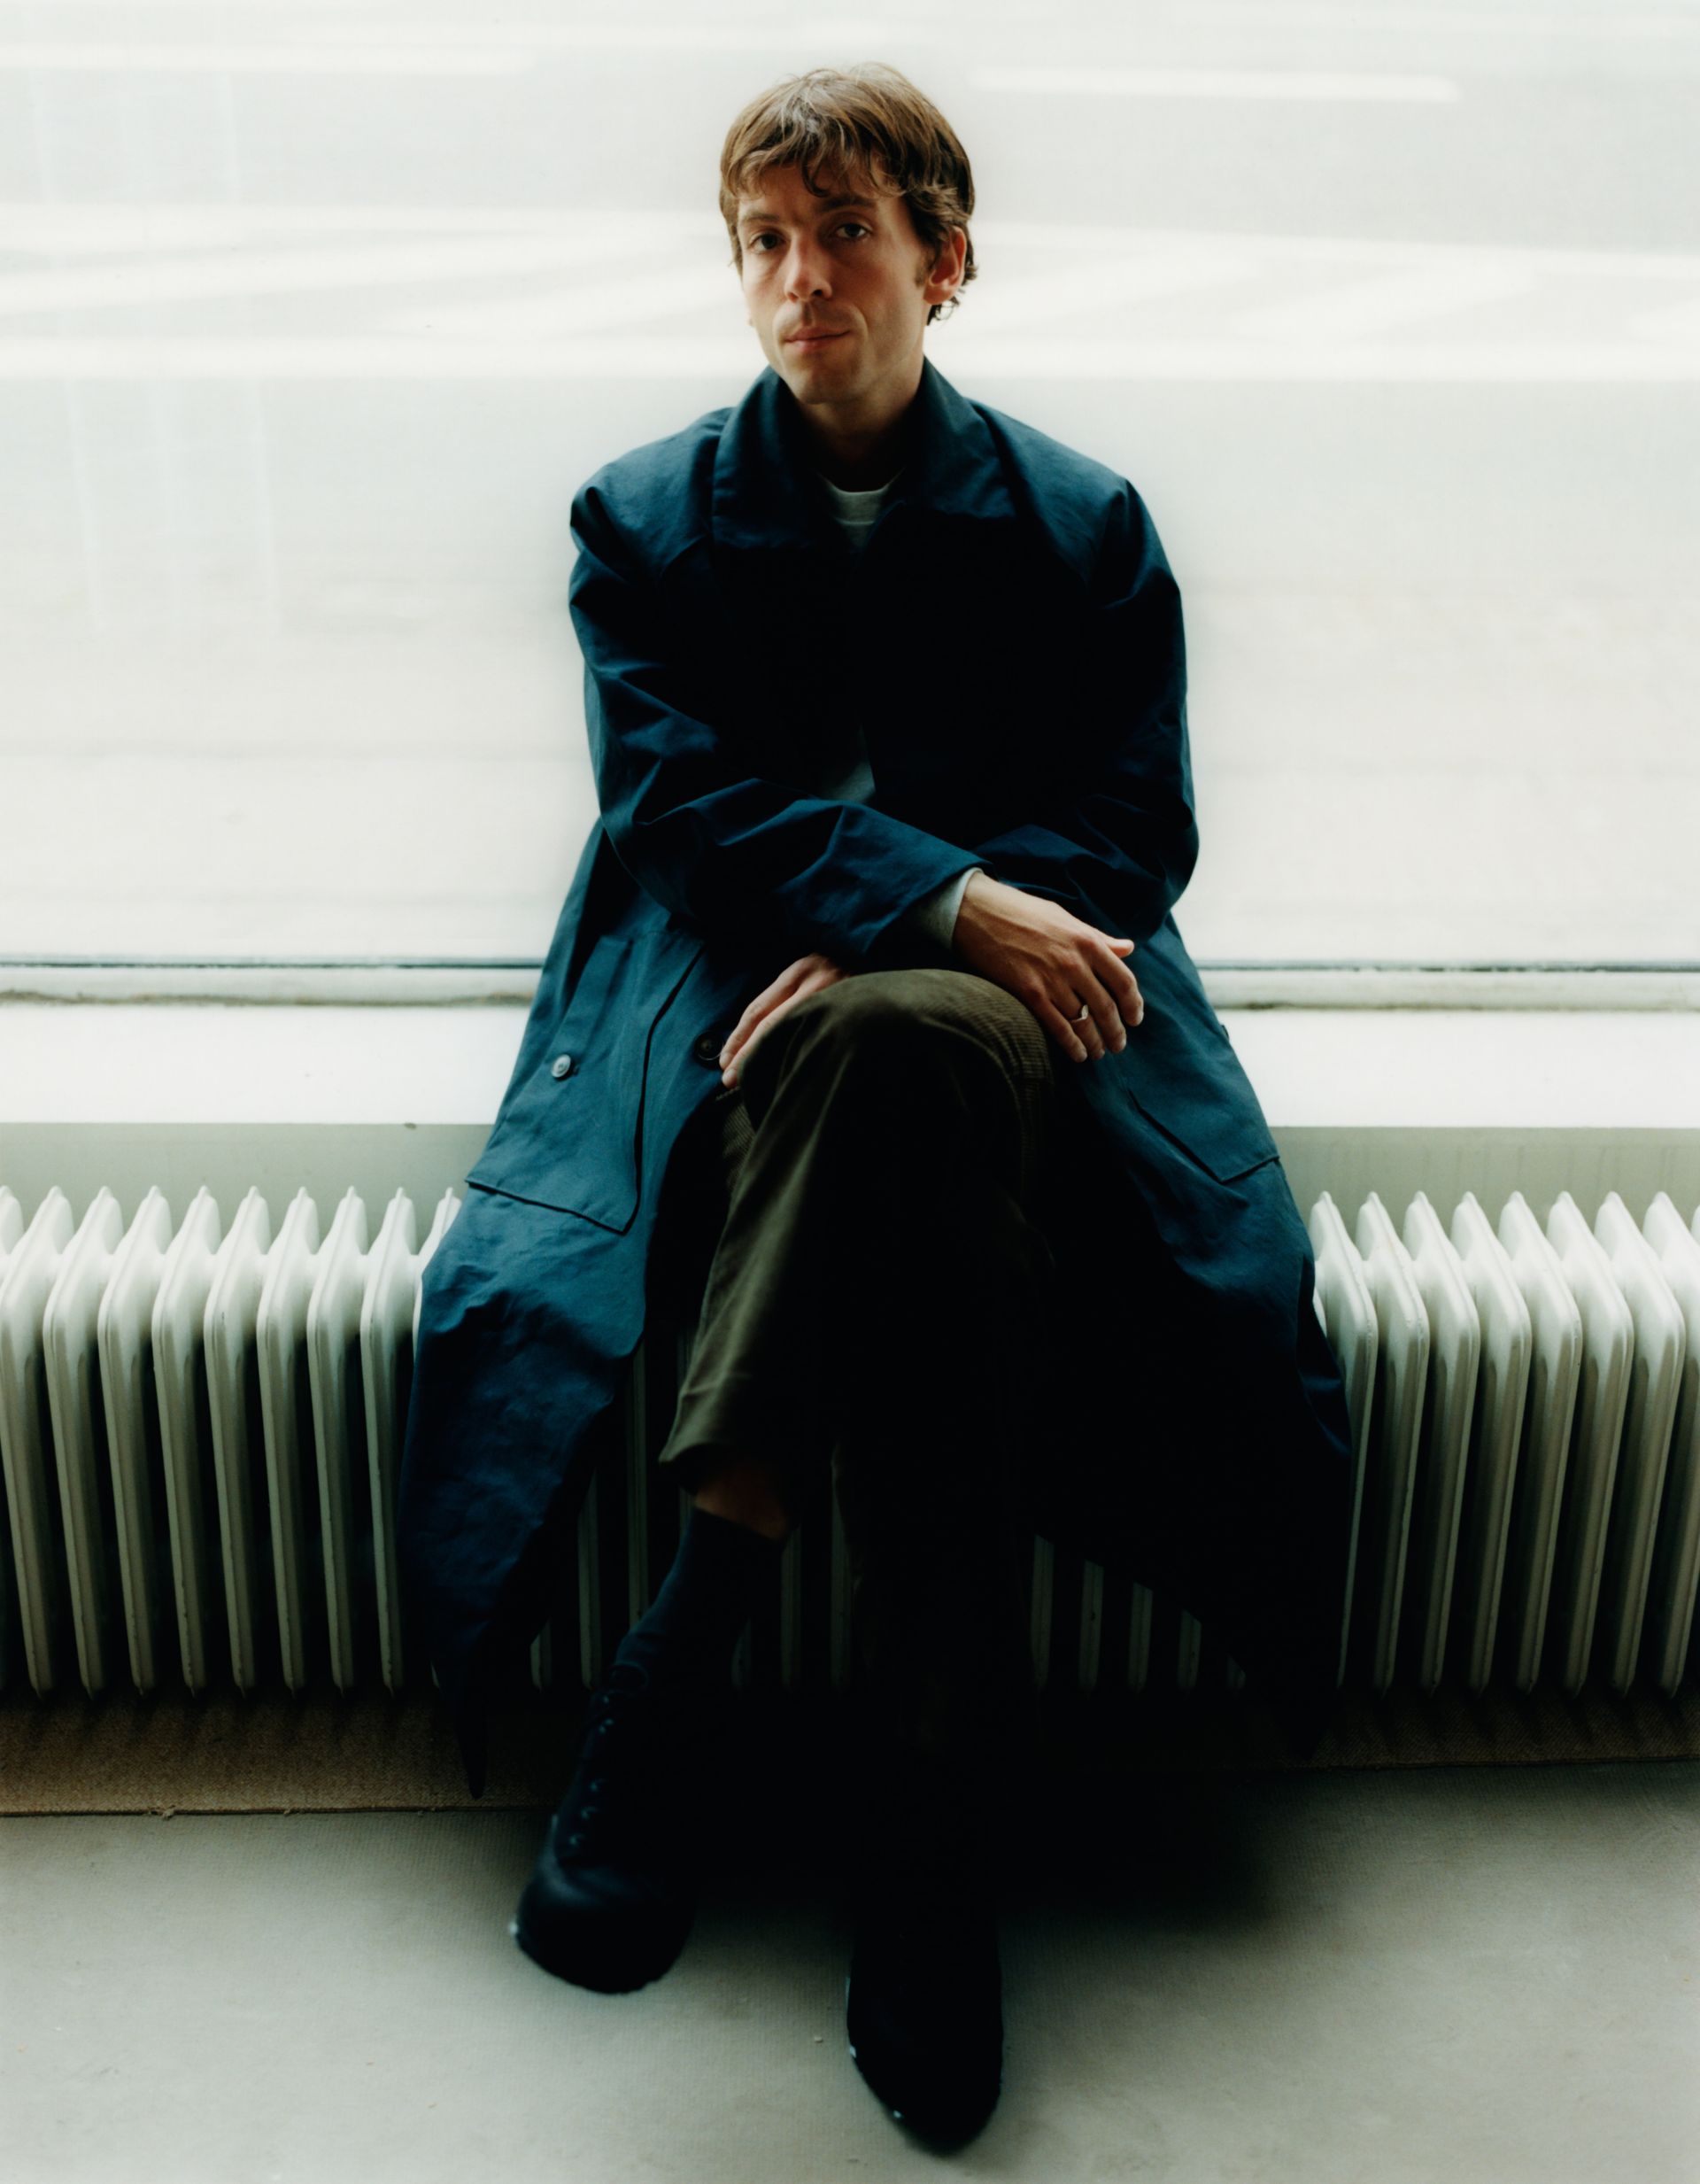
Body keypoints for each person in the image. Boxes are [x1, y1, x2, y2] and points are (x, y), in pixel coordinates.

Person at [397, 60, 1356, 2151]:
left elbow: (1136, 824)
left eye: (844, 232)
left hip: (1008, 1011)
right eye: (764, 239)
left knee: (903, 1044)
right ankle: (931, 1822)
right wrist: (920, 901)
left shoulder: (1084, 523)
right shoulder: (640, 518)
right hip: (731, 1000)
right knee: (902, 1132)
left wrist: (922, 935)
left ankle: (696, 1630)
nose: (800, 277)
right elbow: (672, 809)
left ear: (948, 257)